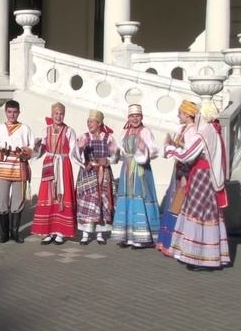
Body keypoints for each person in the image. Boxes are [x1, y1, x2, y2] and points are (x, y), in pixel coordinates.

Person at [164, 101, 230, 271]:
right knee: (209, 215)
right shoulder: (215, 131)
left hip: (201, 176)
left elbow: (187, 154)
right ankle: (210, 257)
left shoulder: (204, 132)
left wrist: (169, 148)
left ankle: (197, 257)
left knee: (197, 215)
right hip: (209, 177)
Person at [112, 104, 160, 249]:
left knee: (140, 197)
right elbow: (120, 152)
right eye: (132, 116)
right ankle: (127, 236)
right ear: (128, 117)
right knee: (127, 198)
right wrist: (114, 151)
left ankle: (142, 236)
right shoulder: (124, 132)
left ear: (141, 117)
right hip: (126, 169)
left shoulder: (145, 132)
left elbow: (155, 150)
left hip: (141, 170)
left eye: (137, 116)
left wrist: (143, 148)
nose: (135, 119)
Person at [0, 100, 37, 244]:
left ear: (19, 112)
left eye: (15, 112)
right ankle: (4, 233)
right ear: (5, 112)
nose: (12, 115)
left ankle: (15, 232)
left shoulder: (25, 128)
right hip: (4, 167)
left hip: (19, 167)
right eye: (9, 112)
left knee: (18, 201)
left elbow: (32, 147)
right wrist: (0, 150)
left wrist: (25, 151)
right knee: (2, 200)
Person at [31, 102, 77, 245]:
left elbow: (74, 150)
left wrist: (82, 160)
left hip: (63, 165)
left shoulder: (69, 131)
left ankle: (60, 232)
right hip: (50, 164)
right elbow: (41, 150)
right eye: (56, 113)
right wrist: (37, 146)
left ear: (64, 115)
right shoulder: (46, 130)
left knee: (62, 195)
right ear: (52, 115)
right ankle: (48, 231)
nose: (58, 116)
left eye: (61, 114)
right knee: (49, 196)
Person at [70, 109, 118, 245]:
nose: (89, 124)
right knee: (87, 201)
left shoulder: (108, 138)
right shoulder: (84, 137)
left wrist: (107, 160)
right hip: (88, 173)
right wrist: (82, 156)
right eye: (88, 121)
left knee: (103, 201)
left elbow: (116, 154)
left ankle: (100, 233)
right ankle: (85, 233)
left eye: (91, 121)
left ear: (99, 123)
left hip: (103, 173)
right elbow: (74, 154)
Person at [157, 100, 198, 257]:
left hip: (183, 174)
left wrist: (184, 176)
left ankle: (174, 244)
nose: (178, 115)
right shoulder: (183, 129)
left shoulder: (192, 132)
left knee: (179, 206)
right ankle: (165, 241)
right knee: (172, 204)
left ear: (188, 115)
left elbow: (189, 156)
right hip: (177, 172)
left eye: (180, 113)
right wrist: (171, 143)